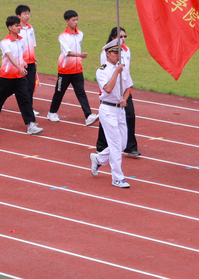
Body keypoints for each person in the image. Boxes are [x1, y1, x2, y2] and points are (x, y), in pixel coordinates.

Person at [0, 16, 44, 136]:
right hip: (7, 77)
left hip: (19, 77)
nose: (19, 28)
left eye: (19, 26)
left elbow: (19, 55)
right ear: (9, 27)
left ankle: (31, 124)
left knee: (25, 98)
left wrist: (24, 62)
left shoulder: (21, 40)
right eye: (16, 26)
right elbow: (10, 57)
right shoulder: (4, 42)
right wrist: (20, 67)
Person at [89, 39, 132, 188]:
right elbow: (107, 88)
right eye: (114, 53)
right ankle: (117, 177)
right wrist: (116, 72)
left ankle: (99, 159)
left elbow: (127, 88)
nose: (117, 55)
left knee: (123, 144)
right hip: (107, 109)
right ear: (108, 54)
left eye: (119, 52)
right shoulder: (102, 70)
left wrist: (124, 99)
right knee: (114, 144)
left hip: (119, 109)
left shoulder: (122, 68)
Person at [46, 10, 99, 126]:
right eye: (73, 20)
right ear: (67, 21)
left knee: (81, 92)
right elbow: (67, 52)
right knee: (59, 92)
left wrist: (79, 58)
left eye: (77, 19)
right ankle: (52, 112)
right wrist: (79, 55)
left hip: (77, 69)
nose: (76, 22)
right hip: (65, 70)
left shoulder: (80, 34)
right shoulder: (62, 36)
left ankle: (88, 115)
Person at [96, 26, 140, 158]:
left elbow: (127, 70)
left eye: (125, 36)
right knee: (108, 120)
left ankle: (130, 147)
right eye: (120, 36)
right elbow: (107, 72)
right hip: (110, 91)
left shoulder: (127, 50)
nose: (123, 39)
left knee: (130, 116)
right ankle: (102, 145)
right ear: (113, 38)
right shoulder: (106, 52)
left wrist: (127, 87)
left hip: (124, 88)